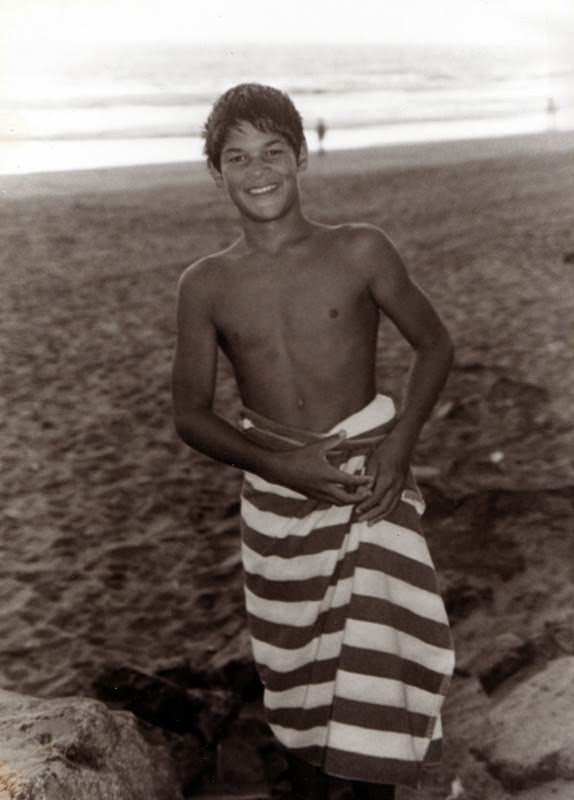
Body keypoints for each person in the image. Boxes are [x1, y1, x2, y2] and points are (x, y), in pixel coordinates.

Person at [172, 83, 455, 800]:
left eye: (273, 151)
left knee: (378, 684)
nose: (258, 169)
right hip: (277, 501)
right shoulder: (205, 284)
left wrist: (398, 447)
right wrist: (282, 465)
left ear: (301, 157)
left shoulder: (360, 249)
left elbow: (434, 345)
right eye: (237, 157)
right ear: (215, 172)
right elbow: (190, 413)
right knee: (297, 680)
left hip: (368, 486)